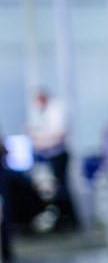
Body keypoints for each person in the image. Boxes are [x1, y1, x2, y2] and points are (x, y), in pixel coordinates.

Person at [26, 88, 77, 230]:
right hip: (50, 155)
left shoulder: (56, 110)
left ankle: (69, 220)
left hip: (58, 154)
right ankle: (63, 218)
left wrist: (39, 141)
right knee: (56, 188)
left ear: (42, 98)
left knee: (62, 188)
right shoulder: (46, 111)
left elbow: (59, 135)